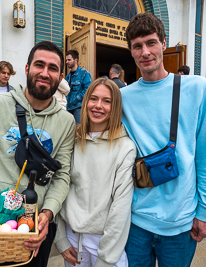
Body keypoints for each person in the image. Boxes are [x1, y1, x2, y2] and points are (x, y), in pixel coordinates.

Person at [0, 41, 76, 267]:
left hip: (32, 230)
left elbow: (62, 175)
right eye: (39, 65)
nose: (45, 73)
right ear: (27, 69)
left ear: (60, 77)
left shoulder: (66, 122)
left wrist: (47, 215)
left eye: (53, 68)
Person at [121, 13, 206, 267]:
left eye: (151, 43)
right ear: (130, 51)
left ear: (164, 43)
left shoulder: (197, 88)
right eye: (137, 46)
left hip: (181, 221)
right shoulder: (123, 97)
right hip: (134, 221)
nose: (145, 52)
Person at [54, 78, 136, 267]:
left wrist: (106, 258)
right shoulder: (72, 139)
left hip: (104, 241)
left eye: (107, 101)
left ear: (115, 106)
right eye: (94, 99)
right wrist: (61, 239)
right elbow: (60, 186)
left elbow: (121, 206)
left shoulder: (125, 147)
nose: (98, 106)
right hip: (72, 238)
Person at [65, 49, 92, 124]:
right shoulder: (67, 77)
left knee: (78, 130)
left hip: (78, 108)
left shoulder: (84, 73)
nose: (67, 62)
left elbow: (88, 90)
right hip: (68, 108)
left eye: (69, 60)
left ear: (76, 60)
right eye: (66, 60)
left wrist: (76, 99)